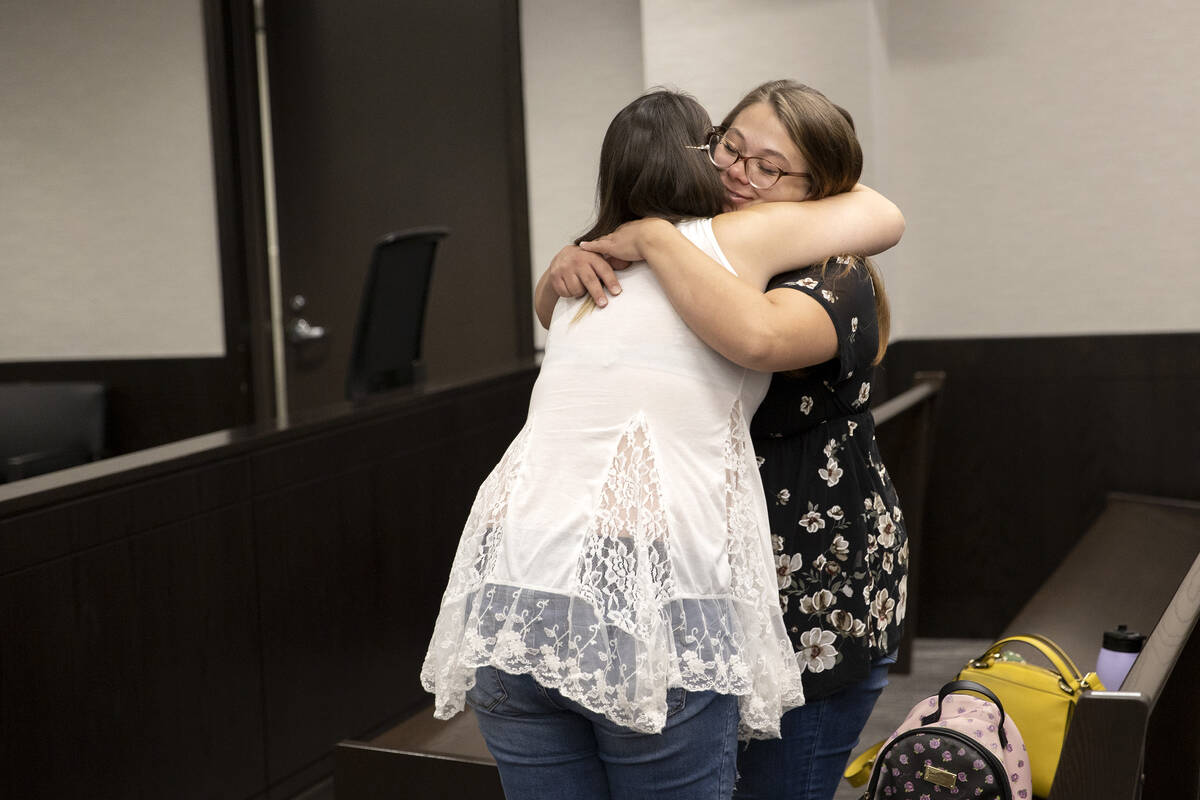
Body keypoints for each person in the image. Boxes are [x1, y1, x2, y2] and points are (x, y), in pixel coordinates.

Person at [421, 88, 902, 800]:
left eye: (770, 168)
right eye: (730, 148)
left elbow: (764, 328)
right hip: (665, 581)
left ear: (817, 192)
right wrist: (574, 264)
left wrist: (646, 235)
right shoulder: (661, 251)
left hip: (800, 593)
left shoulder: (829, 271)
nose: (740, 173)